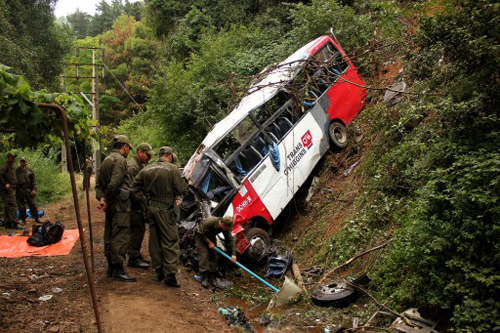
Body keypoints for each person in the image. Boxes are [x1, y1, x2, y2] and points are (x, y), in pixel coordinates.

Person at [132, 146, 186, 287]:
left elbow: (134, 187)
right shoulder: (172, 169)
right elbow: (181, 189)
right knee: (170, 241)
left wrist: (144, 200)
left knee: (154, 240)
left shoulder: (146, 169)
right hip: (165, 210)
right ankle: (170, 275)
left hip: (151, 209)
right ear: (169, 156)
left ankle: (158, 271)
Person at [95, 135, 136, 282]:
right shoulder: (120, 160)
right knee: (120, 234)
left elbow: (99, 184)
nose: (128, 152)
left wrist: (102, 199)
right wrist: (108, 199)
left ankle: (111, 267)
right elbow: (114, 183)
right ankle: (118, 268)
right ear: (124, 147)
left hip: (111, 203)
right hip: (119, 203)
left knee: (109, 234)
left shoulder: (106, 159)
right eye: (128, 149)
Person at [125, 142, 155, 269]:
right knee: (136, 230)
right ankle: (133, 257)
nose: (149, 158)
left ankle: (135, 254)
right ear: (140, 152)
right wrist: (141, 200)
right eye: (147, 155)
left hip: (137, 203)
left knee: (139, 229)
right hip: (133, 204)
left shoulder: (139, 165)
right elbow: (132, 189)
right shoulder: (133, 167)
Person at [195, 216, 236, 289]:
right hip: (200, 236)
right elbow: (200, 232)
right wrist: (209, 242)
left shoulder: (224, 227)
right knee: (204, 254)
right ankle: (204, 276)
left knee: (214, 256)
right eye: (226, 228)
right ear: (223, 225)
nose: (227, 230)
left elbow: (229, 240)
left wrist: (233, 254)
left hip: (210, 236)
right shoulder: (210, 221)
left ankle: (212, 275)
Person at [16, 157, 40, 226]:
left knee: (32, 204)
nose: (23, 163)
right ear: (20, 162)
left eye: (24, 161)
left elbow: (34, 180)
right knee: (21, 206)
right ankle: (23, 220)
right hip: (20, 190)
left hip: (28, 189)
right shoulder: (16, 171)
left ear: (26, 162)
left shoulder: (29, 170)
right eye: (21, 161)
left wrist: (34, 189)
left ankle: (36, 218)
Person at [0, 153, 19, 229]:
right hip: (9, 189)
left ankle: (7, 223)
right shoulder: (5, 166)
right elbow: (0, 175)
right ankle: (14, 223)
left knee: (8, 206)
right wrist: (5, 184)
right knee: (13, 205)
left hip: (14, 188)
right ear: (8, 158)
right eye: (12, 157)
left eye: (14, 158)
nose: (13, 159)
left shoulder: (12, 167)